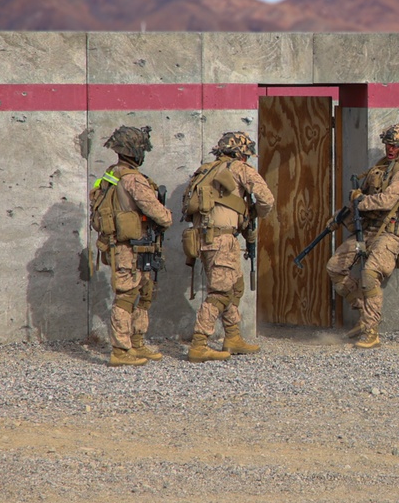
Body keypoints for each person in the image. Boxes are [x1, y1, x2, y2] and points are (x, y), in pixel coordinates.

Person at [326, 123, 399, 349]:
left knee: (370, 274)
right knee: (335, 268)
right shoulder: (380, 168)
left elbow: (387, 201)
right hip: (369, 228)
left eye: (395, 145)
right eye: (388, 144)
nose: (390, 149)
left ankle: (371, 331)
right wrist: (339, 216)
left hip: (391, 231)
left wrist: (360, 201)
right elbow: (364, 196)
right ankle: (364, 312)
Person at [184, 131, 275, 363]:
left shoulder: (205, 170)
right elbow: (267, 199)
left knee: (235, 286)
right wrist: (255, 213)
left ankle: (233, 337)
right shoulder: (239, 168)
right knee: (221, 293)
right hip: (223, 240)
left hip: (203, 239)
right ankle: (199, 343)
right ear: (241, 154)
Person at [94, 125, 172, 367]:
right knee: (127, 297)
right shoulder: (133, 179)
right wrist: (166, 216)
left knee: (143, 294)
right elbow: (160, 214)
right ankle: (120, 350)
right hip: (130, 248)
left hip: (128, 246)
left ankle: (136, 343)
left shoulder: (109, 176)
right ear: (135, 151)